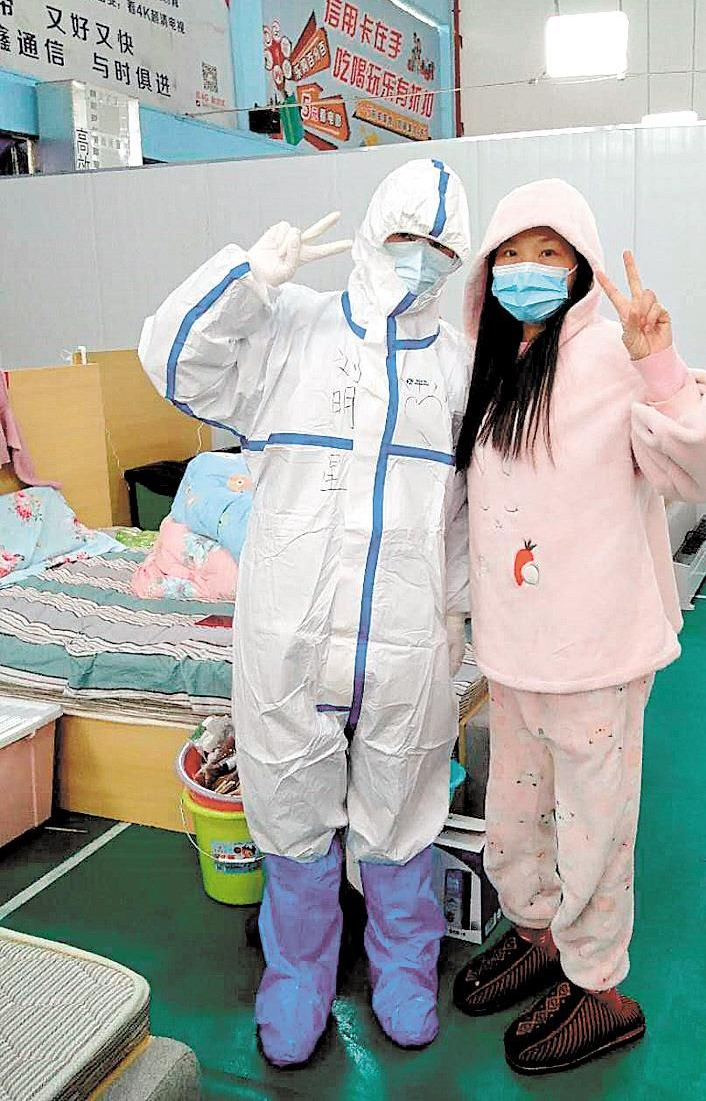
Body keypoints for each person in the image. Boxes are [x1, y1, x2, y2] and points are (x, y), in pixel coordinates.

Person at [139, 159, 472, 1066]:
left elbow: (471, 509)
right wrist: (244, 280)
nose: (419, 260)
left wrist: (458, 615)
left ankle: (403, 970)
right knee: (289, 806)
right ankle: (297, 977)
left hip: (405, 637)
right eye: (404, 238)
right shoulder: (292, 326)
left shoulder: (457, 365)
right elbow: (173, 363)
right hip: (288, 631)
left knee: (403, 806)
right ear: (370, 232)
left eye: (439, 248)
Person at [451, 179, 706, 1075]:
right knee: (515, 816)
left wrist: (662, 365)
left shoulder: (614, 356)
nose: (526, 270)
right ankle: (536, 931)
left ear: (577, 266)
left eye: (547, 253)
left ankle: (599, 987)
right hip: (513, 651)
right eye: (509, 253)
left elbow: (700, 468)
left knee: (594, 827)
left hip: (596, 650)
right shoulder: (493, 365)